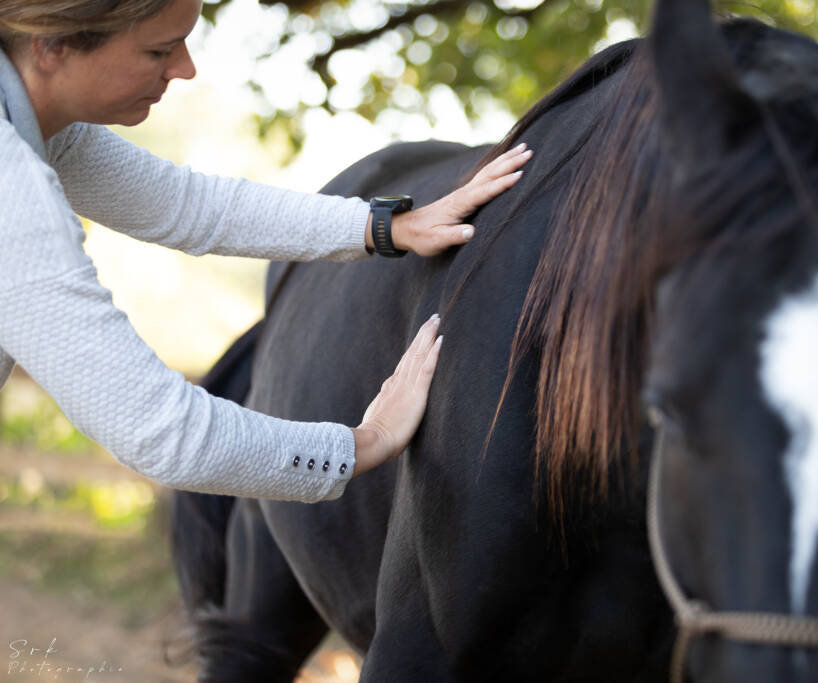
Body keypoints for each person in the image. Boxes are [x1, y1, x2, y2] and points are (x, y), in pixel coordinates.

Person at [0, 0, 532, 503]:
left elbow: (186, 205)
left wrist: (388, 226)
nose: (185, 69)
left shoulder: (43, 128)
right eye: (159, 50)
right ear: (53, 46)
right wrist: (368, 441)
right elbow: (161, 429)